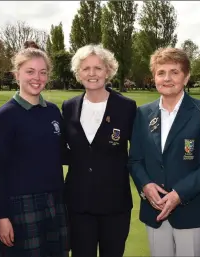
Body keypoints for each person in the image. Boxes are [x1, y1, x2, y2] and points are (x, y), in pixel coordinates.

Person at [128, 47, 200, 257]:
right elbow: (135, 160)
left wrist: (178, 194)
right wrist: (146, 186)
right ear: (154, 77)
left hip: (192, 212)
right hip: (154, 211)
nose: (167, 78)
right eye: (161, 72)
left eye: (174, 72)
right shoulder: (143, 113)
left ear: (186, 77)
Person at [0, 41, 69, 257]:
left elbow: (64, 154)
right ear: (17, 75)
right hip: (20, 206)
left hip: (56, 201)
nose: (37, 77)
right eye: (30, 71)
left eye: (43, 72)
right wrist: (3, 216)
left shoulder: (53, 112)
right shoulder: (6, 116)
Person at [61, 44, 137, 257]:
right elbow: (65, 151)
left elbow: (138, 153)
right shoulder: (68, 107)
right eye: (85, 68)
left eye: (98, 68)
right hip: (78, 205)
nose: (92, 73)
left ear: (108, 70)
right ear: (78, 73)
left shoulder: (126, 107)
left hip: (115, 204)